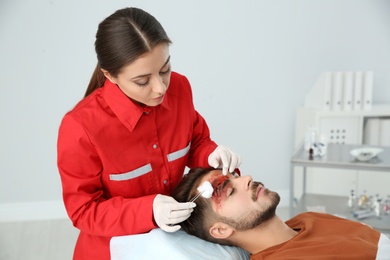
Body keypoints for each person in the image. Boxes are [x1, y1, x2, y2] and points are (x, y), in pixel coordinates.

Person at [57, 7, 241, 259]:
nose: (160, 87)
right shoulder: (80, 127)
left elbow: (196, 141)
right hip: (114, 248)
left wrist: (212, 155)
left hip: (175, 239)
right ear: (110, 75)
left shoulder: (180, 87)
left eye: (165, 69)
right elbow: (83, 211)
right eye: (143, 81)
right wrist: (148, 210)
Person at [173, 167, 390, 259]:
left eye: (235, 175)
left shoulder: (307, 218)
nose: (246, 178)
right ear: (221, 229)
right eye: (230, 191)